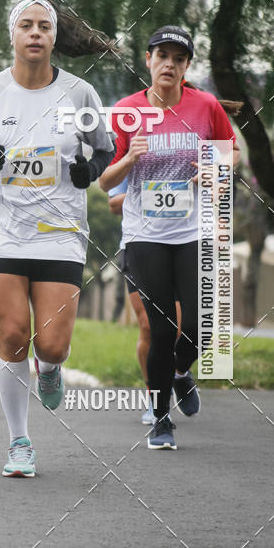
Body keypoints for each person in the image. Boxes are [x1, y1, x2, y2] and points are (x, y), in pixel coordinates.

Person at [0, 0, 115, 476]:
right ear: (13, 34)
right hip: (0, 231)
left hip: (60, 230)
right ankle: (18, 441)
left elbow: (105, 151)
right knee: (15, 335)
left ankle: (52, 368)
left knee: (52, 345)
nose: (36, 33)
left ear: (54, 36)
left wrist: (89, 171)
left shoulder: (81, 94)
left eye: (45, 26)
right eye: (27, 25)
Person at [100, 26, 239, 449]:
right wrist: (130, 157)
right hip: (145, 235)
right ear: (148, 60)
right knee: (160, 330)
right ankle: (161, 420)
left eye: (178, 59)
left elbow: (231, 149)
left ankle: (181, 371)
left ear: (186, 67)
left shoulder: (206, 106)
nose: (169, 64)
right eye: (162, 55)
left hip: (193, 232)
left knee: (202, 327)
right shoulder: (127, 111)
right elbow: (105, 182)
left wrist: (218, 167)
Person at [106, 176, 181, 425]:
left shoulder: (188, 145)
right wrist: (154, 194)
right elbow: (115, 204)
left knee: (180, 330)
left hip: (182, 244)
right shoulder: (130, 147)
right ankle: (155, 396)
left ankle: (180, 373)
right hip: (137, 245)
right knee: (149, 326)